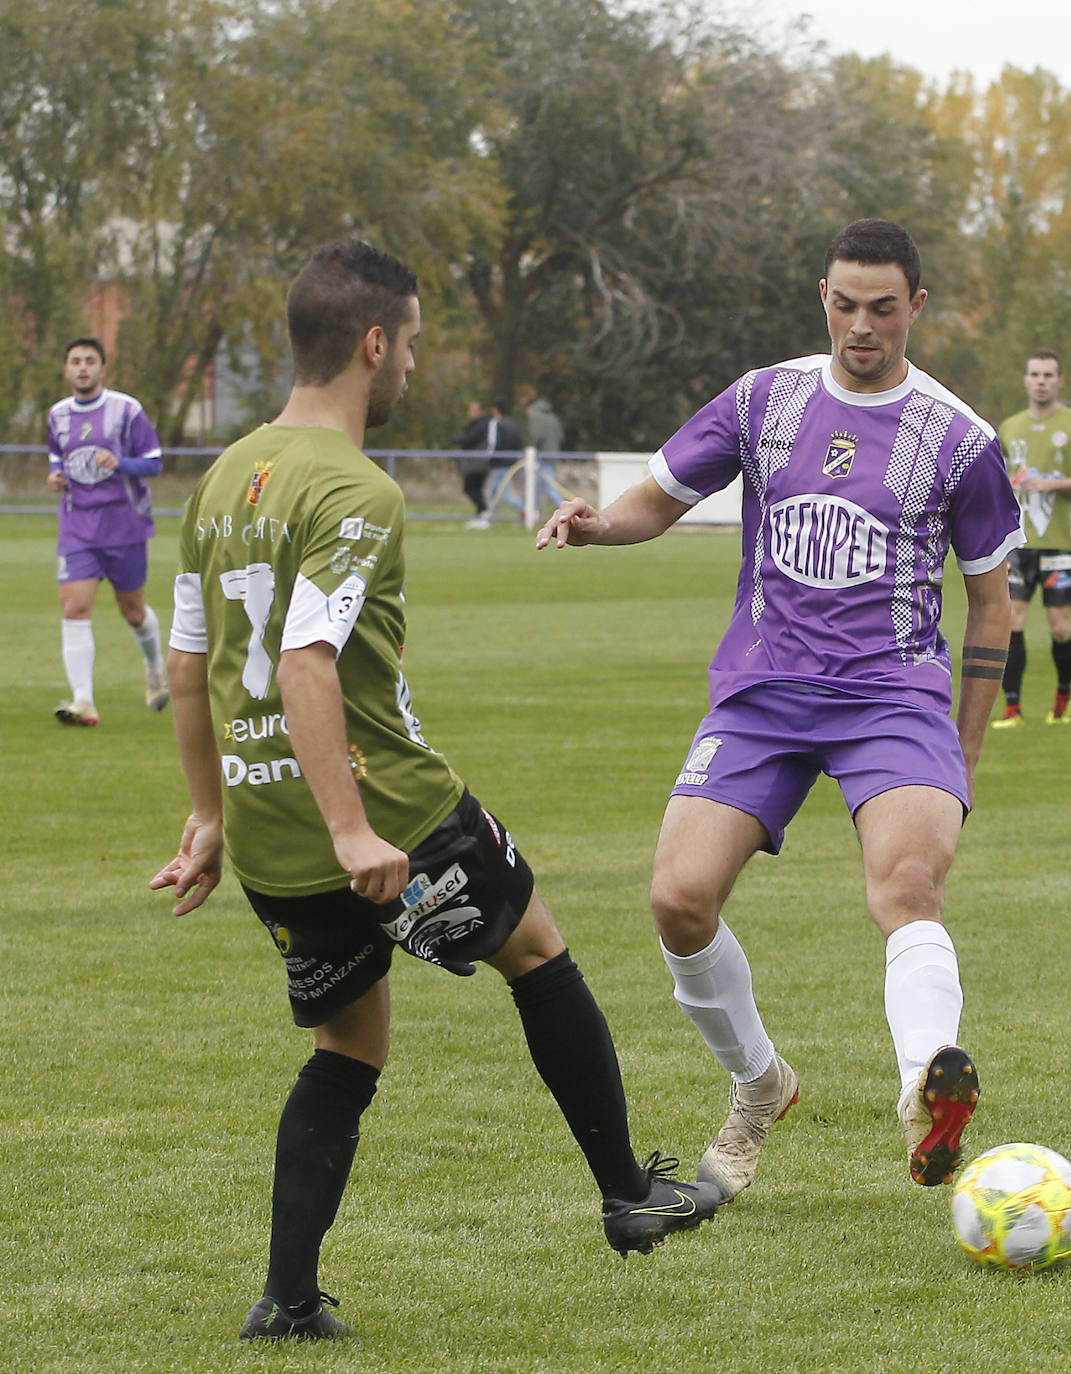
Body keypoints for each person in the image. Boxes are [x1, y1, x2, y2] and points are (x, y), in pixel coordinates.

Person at [150, 240, 720, 1343]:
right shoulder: (355, 488)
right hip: (386, 815)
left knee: (348, 1045)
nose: (413, 361)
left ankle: (288, 1300)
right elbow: (303, 661)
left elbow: (187, 667)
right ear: (374, 343)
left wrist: (212, 816)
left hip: (266, 832)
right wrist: (351, 827)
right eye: (410, 341)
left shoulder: (220, 479)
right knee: (537, 952)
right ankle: (627, 1195)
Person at [536, 219, 1023, 1202]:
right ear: (822, 299)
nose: (860, 326)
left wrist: (960, 750)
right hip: (763, 690)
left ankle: (924, 1085)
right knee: (677, 900)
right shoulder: (765, 399)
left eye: (881, 308)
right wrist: (596, 526)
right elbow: (657, 499)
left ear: (916, 307)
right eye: (844, 305)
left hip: (890, 697)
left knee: (907, 886)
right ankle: (760, 1084)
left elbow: (991, 605)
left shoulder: (958, 440)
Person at [46, 336, 169, 725]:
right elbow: (57, 458)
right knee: (74, 608)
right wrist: (55, 477)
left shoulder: (127, 410)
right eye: (75, 361)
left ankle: (155, 669)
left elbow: (154, 463)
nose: (82, 367)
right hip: (77, 527)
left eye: (90, 360)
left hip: (124, 526)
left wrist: (121, 463)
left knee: (133, 612)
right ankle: (83, 702)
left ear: (103, 368)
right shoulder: (57, 415)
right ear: (66, 370)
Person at [994, 350, 1071, 728]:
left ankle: (1063, 697)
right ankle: (1012, 708)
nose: (1040, 381)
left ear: (1059, 381)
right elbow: (996, 479)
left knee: (1060, 626)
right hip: (1018, 543)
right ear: (1025, 380)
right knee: (1012, 620)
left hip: (1060, 543)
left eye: (1047, 375)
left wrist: (1050, 484)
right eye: (1034, 374)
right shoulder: (1009, 428)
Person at [451, 398, 492, 528]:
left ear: (481, 411)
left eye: (473, 410)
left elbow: (470, 439)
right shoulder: (479, 424)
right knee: (474, 489)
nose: (470, 413)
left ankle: (484, 515)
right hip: (475, 462)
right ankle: (481, 516)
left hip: (477, 463)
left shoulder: (482, 424)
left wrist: (456, 439)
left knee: (471, 489)